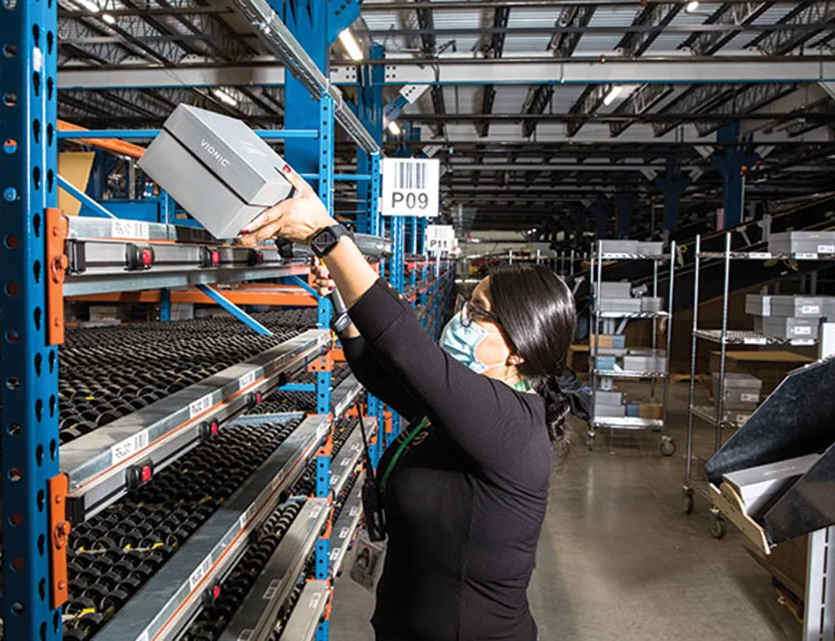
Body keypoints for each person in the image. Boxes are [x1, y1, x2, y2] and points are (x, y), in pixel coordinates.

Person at [239, 166, 588, 641]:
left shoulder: (510, 425)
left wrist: (329, 237)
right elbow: (383, 371)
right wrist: (346, 294)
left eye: (479, 314)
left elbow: (406, 346)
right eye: (468, 303)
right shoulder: (469, 409)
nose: (462, 317)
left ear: (518, 349)